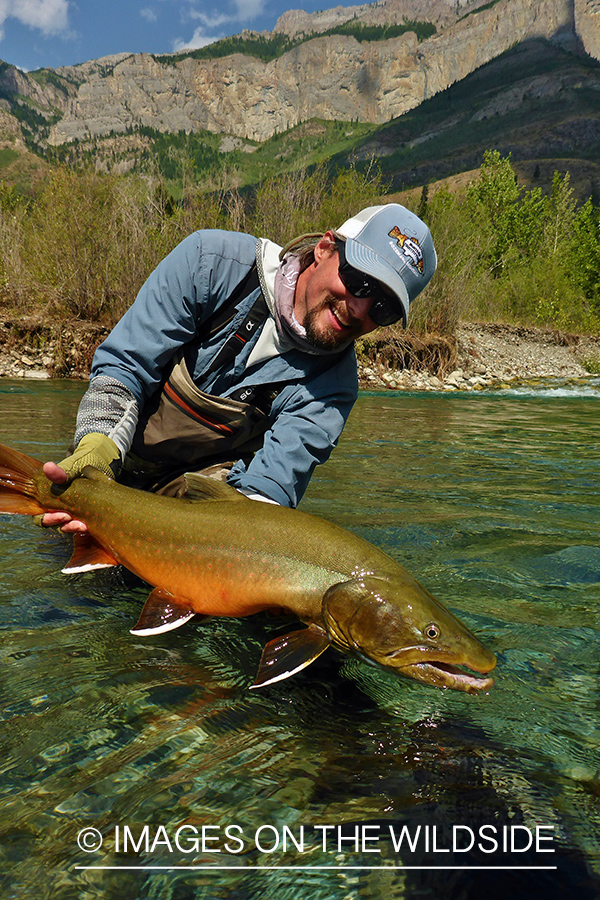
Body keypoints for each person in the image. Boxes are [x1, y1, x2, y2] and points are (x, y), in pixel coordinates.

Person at [41, 203, 436, 533]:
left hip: (201, 512)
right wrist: (96, 450)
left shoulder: (333, 387)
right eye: (360, 282)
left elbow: (265, 493)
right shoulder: (210, 263)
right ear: (326, 248)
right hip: (113, 460)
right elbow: (126, 370)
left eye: (382, 308)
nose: (359, 309)